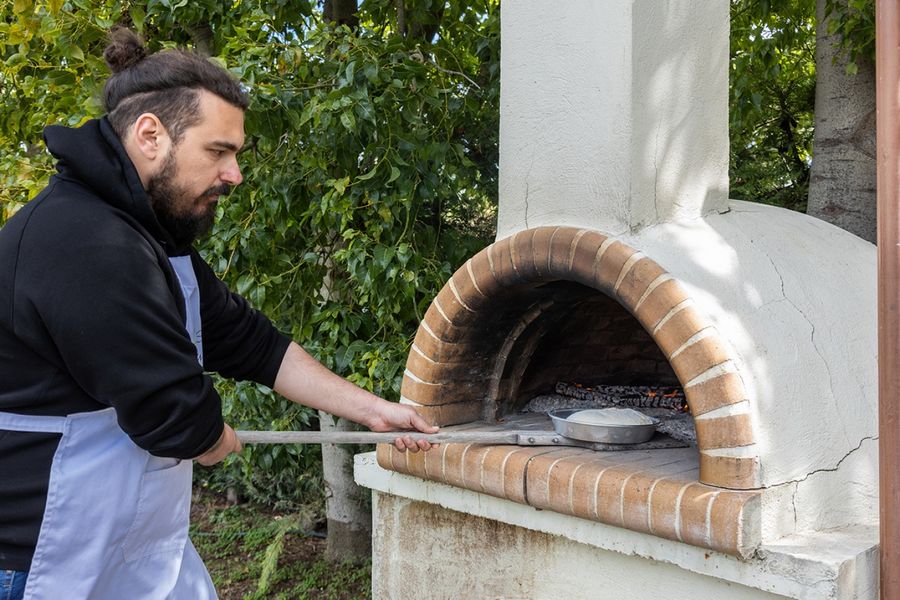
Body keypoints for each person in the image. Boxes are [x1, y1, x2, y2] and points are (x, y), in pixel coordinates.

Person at [0, 27, 438, 599]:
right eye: (218, 151)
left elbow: (251, 343)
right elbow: (174, 414)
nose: (234, 174)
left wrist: (375, 411)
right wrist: (212, 438)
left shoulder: (150, 236)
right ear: (151, 134)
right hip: (41, 560)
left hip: (128, 545)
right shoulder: (83, 241)